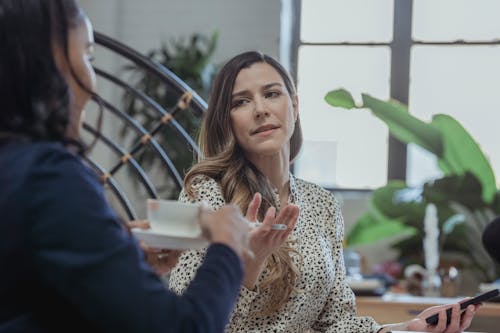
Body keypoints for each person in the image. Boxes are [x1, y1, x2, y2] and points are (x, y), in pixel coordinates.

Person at [168, 51, 479, 333]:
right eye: (241, 102)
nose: (260, 110)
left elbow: (338, 322)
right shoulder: (203, 195)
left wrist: (407, 329)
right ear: (228, 120)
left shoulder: (322, 203)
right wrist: (249, 266)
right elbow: (187, 325)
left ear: (295, 105)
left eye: (272, 94)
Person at [0, 1, 253, 332]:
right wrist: (227, 247)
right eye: (88, 58)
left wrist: (116, 253)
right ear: (53, 59)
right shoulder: (49, 175)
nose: (92, 84)